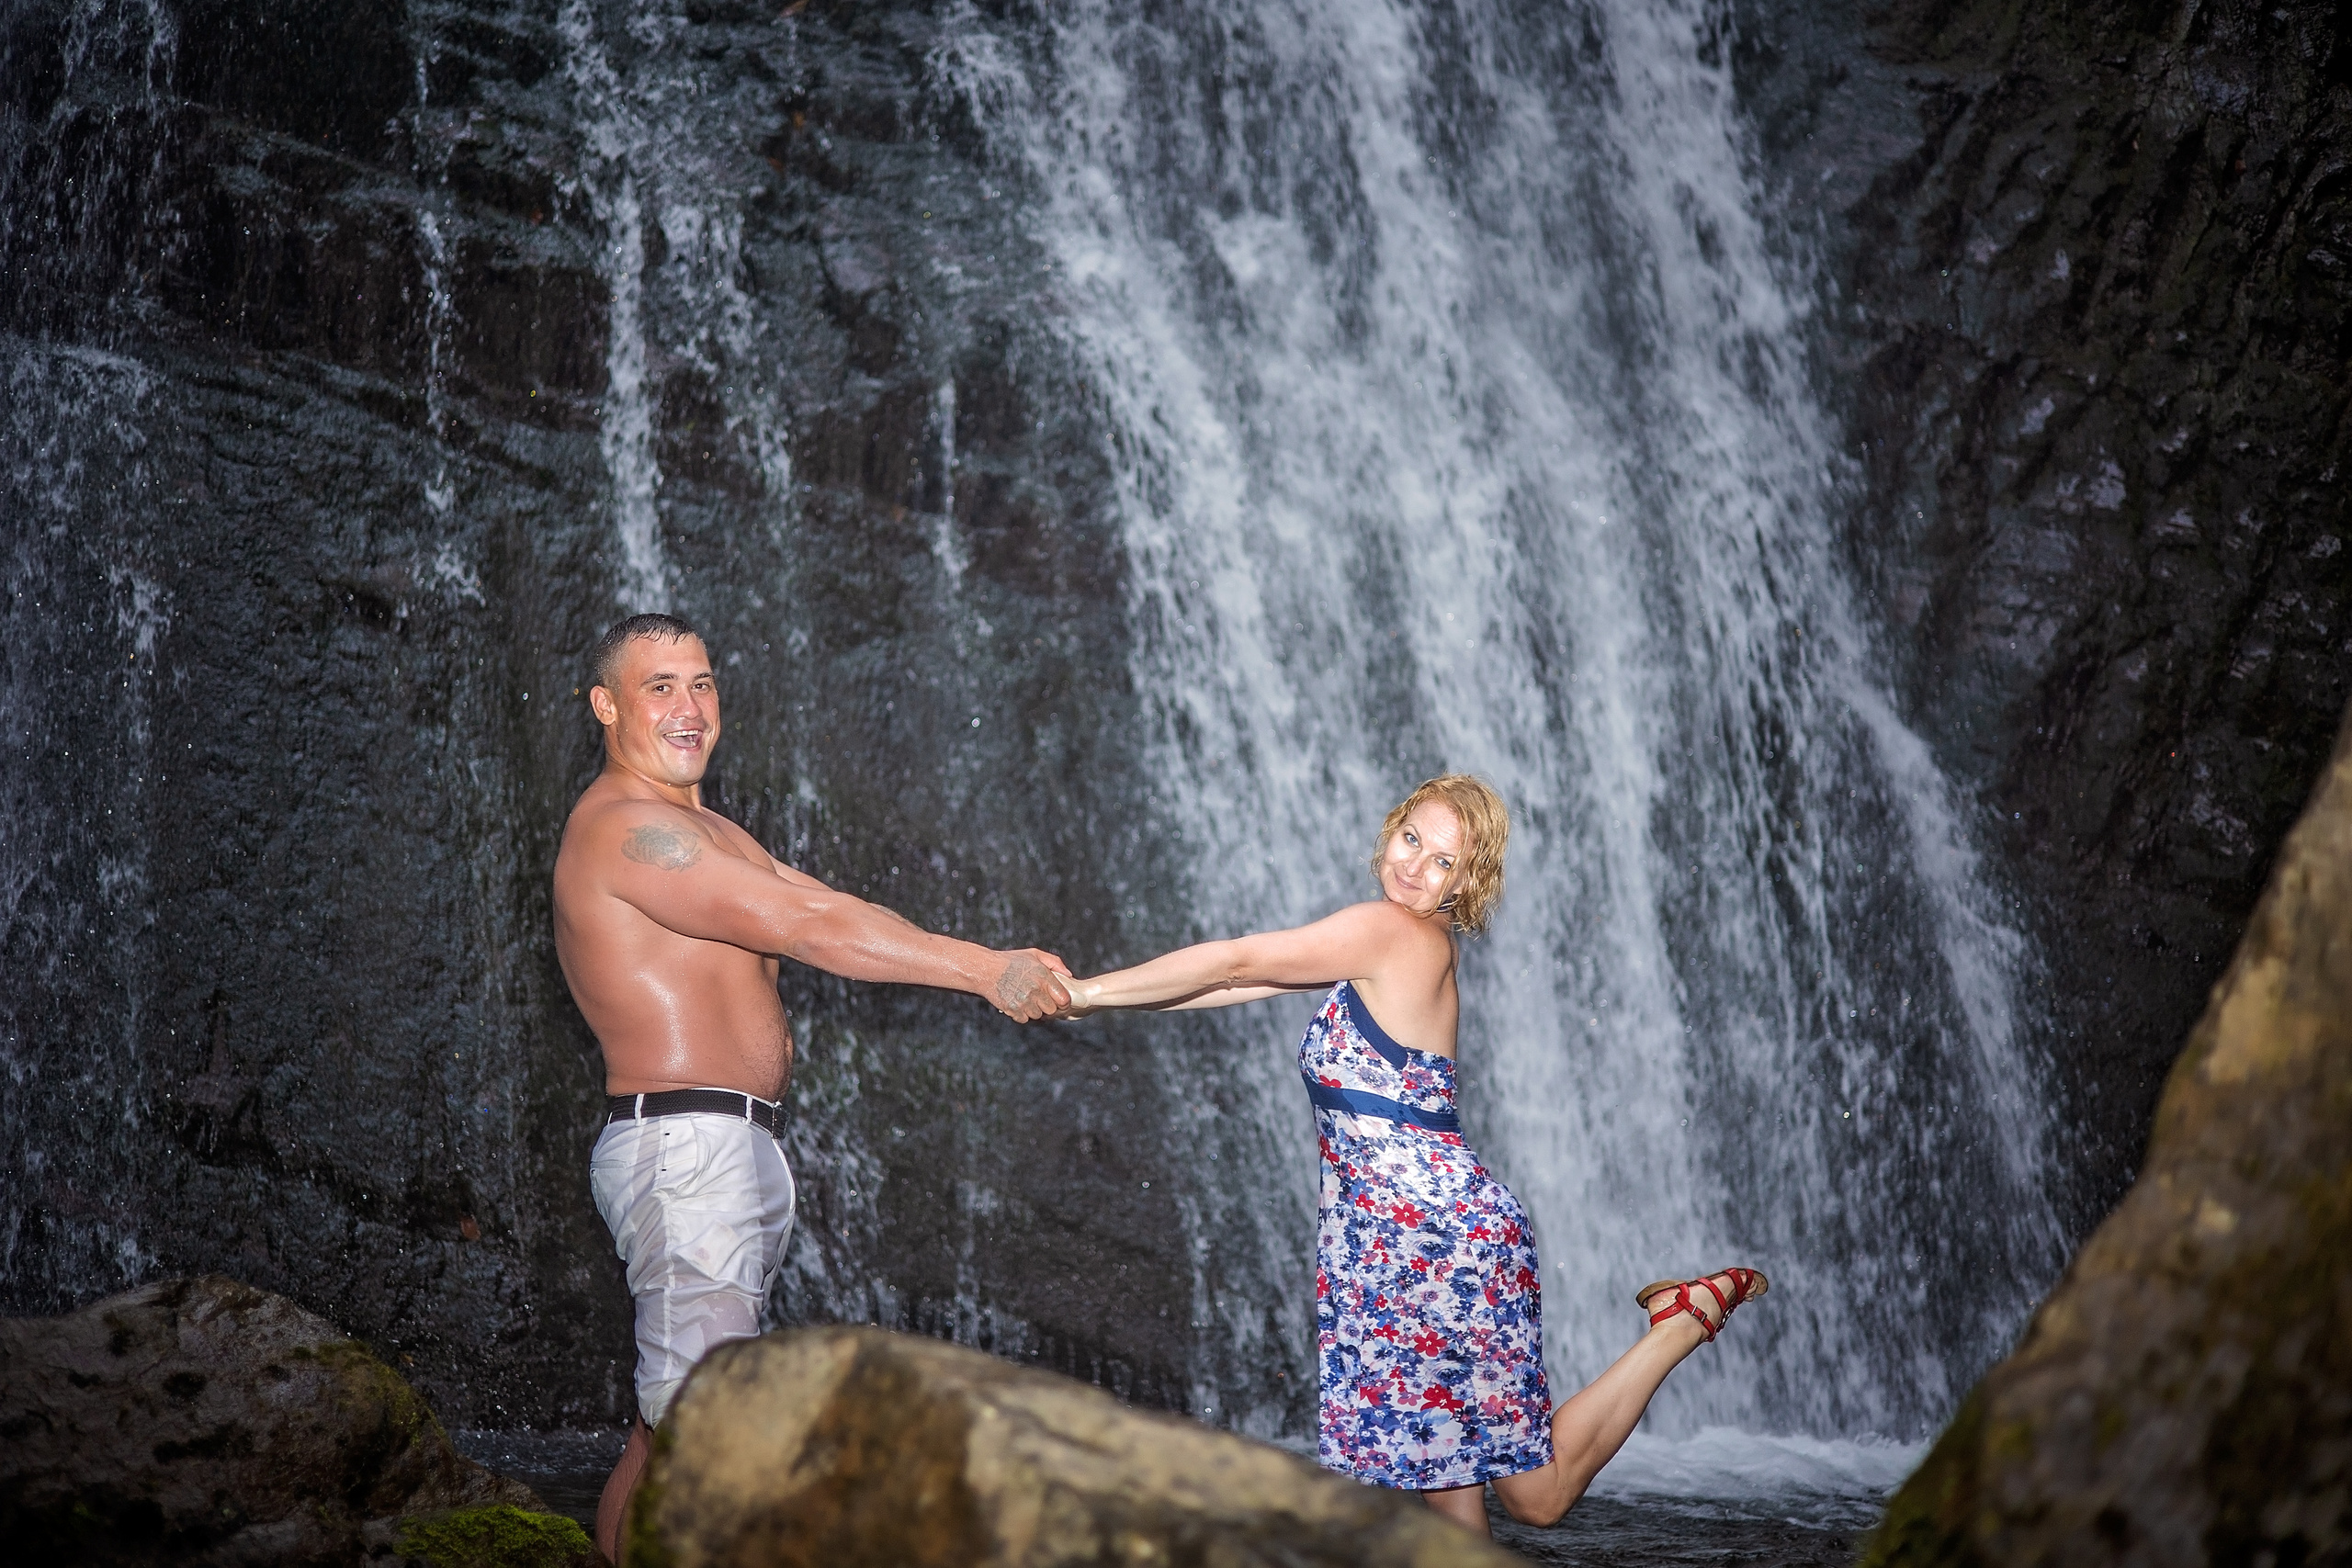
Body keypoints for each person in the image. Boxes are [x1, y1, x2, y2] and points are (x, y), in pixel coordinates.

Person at [1059, 773, 1768, 1538]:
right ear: (1390, 828)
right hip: (1400, 1249)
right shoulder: (1378, 954)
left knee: (1538, 1496)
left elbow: (1233, 958)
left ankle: (1683, 1318)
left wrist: (1085, 995)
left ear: (1465, 885)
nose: (1415, 867)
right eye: (1412, 840)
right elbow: (1229, 984)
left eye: (1442, 863)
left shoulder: (1392, 933)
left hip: (1444, 1248)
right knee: (1451, 1508)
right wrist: (1089, 996)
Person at [551, 612, 1072, 1560]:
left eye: (701, 683)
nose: (687, 706)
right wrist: (982, 972)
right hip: (685, 1151)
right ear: (604, 705)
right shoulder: (629, 833)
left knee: (662, 1425)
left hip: (723, 1147)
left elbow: (833, 906)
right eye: (658, 687)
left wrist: (988, 959)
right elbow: (802, 927)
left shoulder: (704, 829)